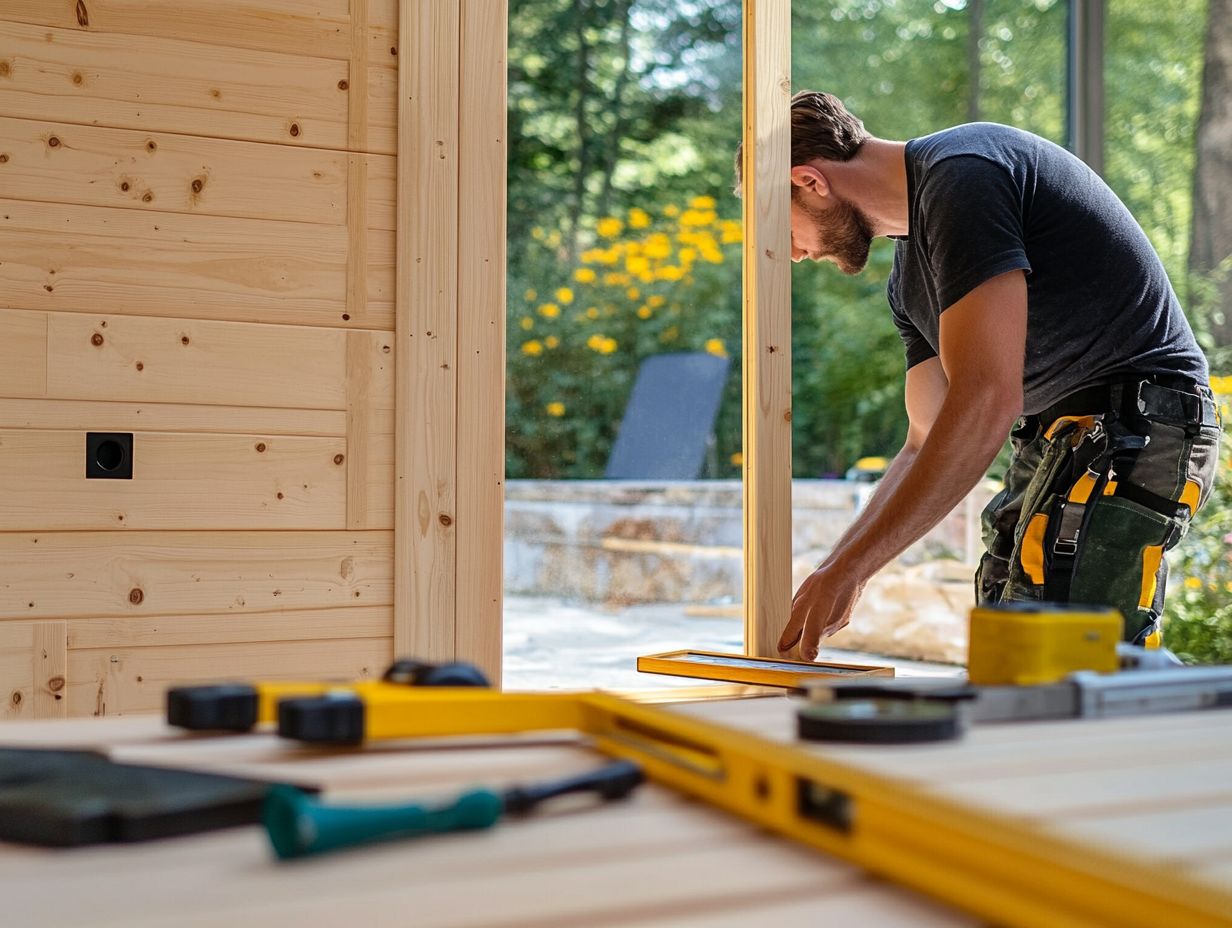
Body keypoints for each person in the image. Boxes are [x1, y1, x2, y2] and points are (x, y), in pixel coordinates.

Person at [738, 90, 1221, 662]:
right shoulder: (908, 280)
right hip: (1064, 435)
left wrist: (851, 569)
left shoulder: (965, 174)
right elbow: (925, 441)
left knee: (1066, 657)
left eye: (777, 228)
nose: (789, 253)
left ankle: (1192, 725)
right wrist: (836, 571)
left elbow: (987, 398)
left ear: (810, 181)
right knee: (1011, 638)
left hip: (1141, 421)